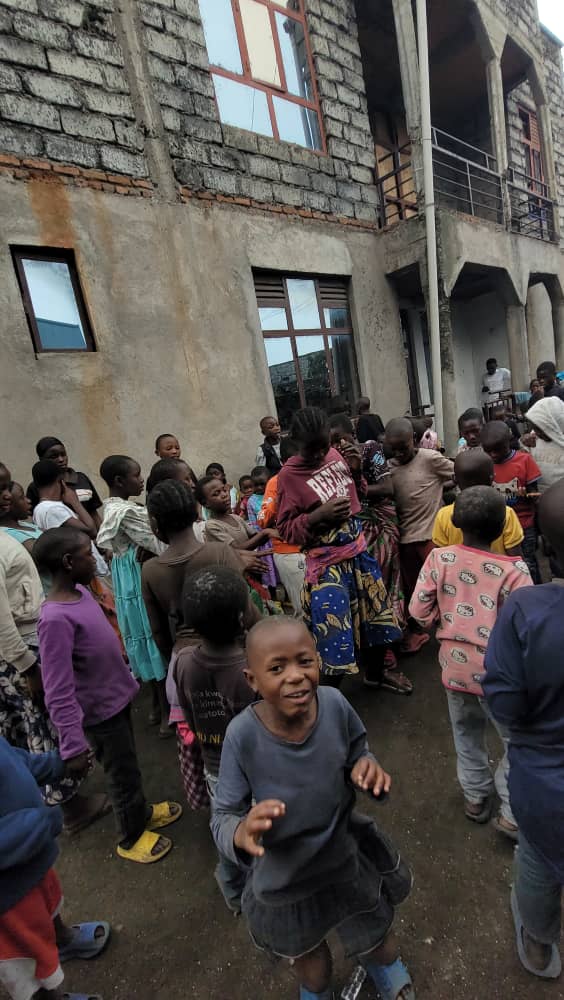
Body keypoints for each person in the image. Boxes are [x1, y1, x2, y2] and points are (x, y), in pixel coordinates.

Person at [211, 617, 415, 1000]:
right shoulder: (242, 736)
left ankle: (383, 966)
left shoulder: (335, 704)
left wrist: (365, 767)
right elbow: (223, 815)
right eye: (277, 668)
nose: (295, 676)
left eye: (304, 661)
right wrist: (240, 832)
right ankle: (316, 990)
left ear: (319, 661)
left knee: (376, 939)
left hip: (342, 856)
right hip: (286, 878)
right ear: (252, 679)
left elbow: (358, 748)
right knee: (313, 967)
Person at [34, 526, 182, 864]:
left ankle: (140, 812)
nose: (96, 559)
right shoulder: (54, 619)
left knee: (129, 765)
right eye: (89, 554)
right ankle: (130, 837)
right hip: (99, 714)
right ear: (69, 562)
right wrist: (72, 744)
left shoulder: (83, 594)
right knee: (120, 775)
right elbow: (57, 688)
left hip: (116, 700)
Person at [409, 486, 531, 840]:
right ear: (503, 526)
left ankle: (475, 798)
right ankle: (511, 812)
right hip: (501, 673)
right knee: (516, 741)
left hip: (454, 669)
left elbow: (418, 612)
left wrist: (441, 620)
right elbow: (525, 627)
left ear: (456, 522)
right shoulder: (515, 570)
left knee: (465, 731)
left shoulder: (439, 559)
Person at [483, 480, 564, 980]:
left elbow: (506, 703)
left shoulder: (527, 611)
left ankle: (537, 943)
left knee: (537, 860)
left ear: (546, 549)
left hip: (546, 781)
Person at [277, 408, 406, 693]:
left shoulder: (334, 456)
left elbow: (357, 496)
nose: (321, 453)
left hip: (359, 554)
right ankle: (328, 700)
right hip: (328, 566)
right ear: (297, 445)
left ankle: (375, 675)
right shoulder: (289, 475)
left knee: (378, 620)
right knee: (334, 634)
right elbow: (285, 529)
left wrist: (357, 470)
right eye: (312, 450)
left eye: (325, 445)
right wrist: (317, 516)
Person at [0, 737, 110, 1000]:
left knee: (49, 903)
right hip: (9, 896)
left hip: (33, 859)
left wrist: (58, 763)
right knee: (27, 961)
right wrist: (42, 822)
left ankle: (61, 938)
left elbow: (15, 760)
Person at [174, 566, 255, 913]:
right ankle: (259, 887)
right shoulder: (249, 671)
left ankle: (232, 887)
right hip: (253, 771)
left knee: (225, 823)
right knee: (254, 831)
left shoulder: (183, 662)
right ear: (241, 618)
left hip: (214, 765)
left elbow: (189, 718)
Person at [142, 479, 260, 662]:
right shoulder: (220, 552)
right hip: (232, 652)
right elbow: (248, 611)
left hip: (185, 657)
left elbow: (159, 632)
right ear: (195, 511)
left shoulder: (150, 571)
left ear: (155, 523)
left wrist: (175, 662)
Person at [96, 455, 169, 737]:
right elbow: (158, 544)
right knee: (152, 633)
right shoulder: (127, 513)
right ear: (119, 481)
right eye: (136, 475)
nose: (141, 480)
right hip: (138, 578)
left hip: (126, 578)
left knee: (139, 634)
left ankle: (153, 703)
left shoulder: (113, 508)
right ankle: (165, 709)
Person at [329, 413, 405, 657]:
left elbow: (387, 487)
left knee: (383, 580)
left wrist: (354, 490)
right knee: (362, 587)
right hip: (354, 530)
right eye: (330, 443)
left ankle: (390, 643)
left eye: (339, 439)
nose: (336, 446)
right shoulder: (330, 464)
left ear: (351, 435)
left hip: (379, 523)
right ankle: (374, 645)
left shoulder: (370, 450)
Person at [384, 418, 454, 649]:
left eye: (402, 447)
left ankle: (455, 633)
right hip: (404, 540)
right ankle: (415, 633)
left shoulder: (430, 459)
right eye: (393, 448)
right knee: (413, 590)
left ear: (413, 440)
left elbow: (458, 473)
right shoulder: (388, 469)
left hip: (431, 538)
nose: (398, 453)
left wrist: (440, 491)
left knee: (444, 587)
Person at [481, 421, 541, 583]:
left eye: (497, 449)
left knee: (527, 563)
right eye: (488, 451)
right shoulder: (484, 465)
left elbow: (535, 493)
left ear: (508, 441)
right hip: (498, 526)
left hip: (524, 524)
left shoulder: (524, 460)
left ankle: (534, 592)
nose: (493, 454)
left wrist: (527, 494)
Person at [31, 459, 110, 582]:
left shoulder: (39, 510)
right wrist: (75, 502)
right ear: (60, 481)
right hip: (89, 576)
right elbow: (91, 530)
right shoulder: (53, 509)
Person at [432, 451, 524, 556]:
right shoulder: (505, 513)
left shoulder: (443, 515)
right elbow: (516, 558)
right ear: (492, 478)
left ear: (454, 479)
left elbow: (440, 556)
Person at [257, 437, 306, 618]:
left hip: (315, 550)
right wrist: (277, 503)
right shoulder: (275, 482)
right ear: (286, 461)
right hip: (289, 553)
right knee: (303, 609)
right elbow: (262, 519)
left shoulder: (310, 476)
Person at [28, 437, 103, 528]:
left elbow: (93, 513)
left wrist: (102, 536)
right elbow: (35, 520)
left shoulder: (81, 479)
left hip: (91, 536)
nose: (61, 459)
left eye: (63, 454)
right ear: (42, 459)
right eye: (53, 457)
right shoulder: (38, 487)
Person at [246, 467, 278, 593]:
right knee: (269, 565)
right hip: (264, 539)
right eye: (255, 485)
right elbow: (253, 522)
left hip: (277, 534)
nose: (259, 488)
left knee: (279, 563)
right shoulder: (251, 501)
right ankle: (272, 590)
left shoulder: (273, 493)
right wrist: (260, 536)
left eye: (262, 484)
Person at [525, 396, 564, 491]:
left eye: (541, 429)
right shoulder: (533, 439)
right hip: (538, 495)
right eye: (535, 428)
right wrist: (524, 446)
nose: (537, 433)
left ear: (554, 424)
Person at [0, 481, 42, 554]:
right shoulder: (8, 533)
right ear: (7, 504)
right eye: (22, 497)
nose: (28, 500)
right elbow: (43, 554)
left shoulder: (22, 524)